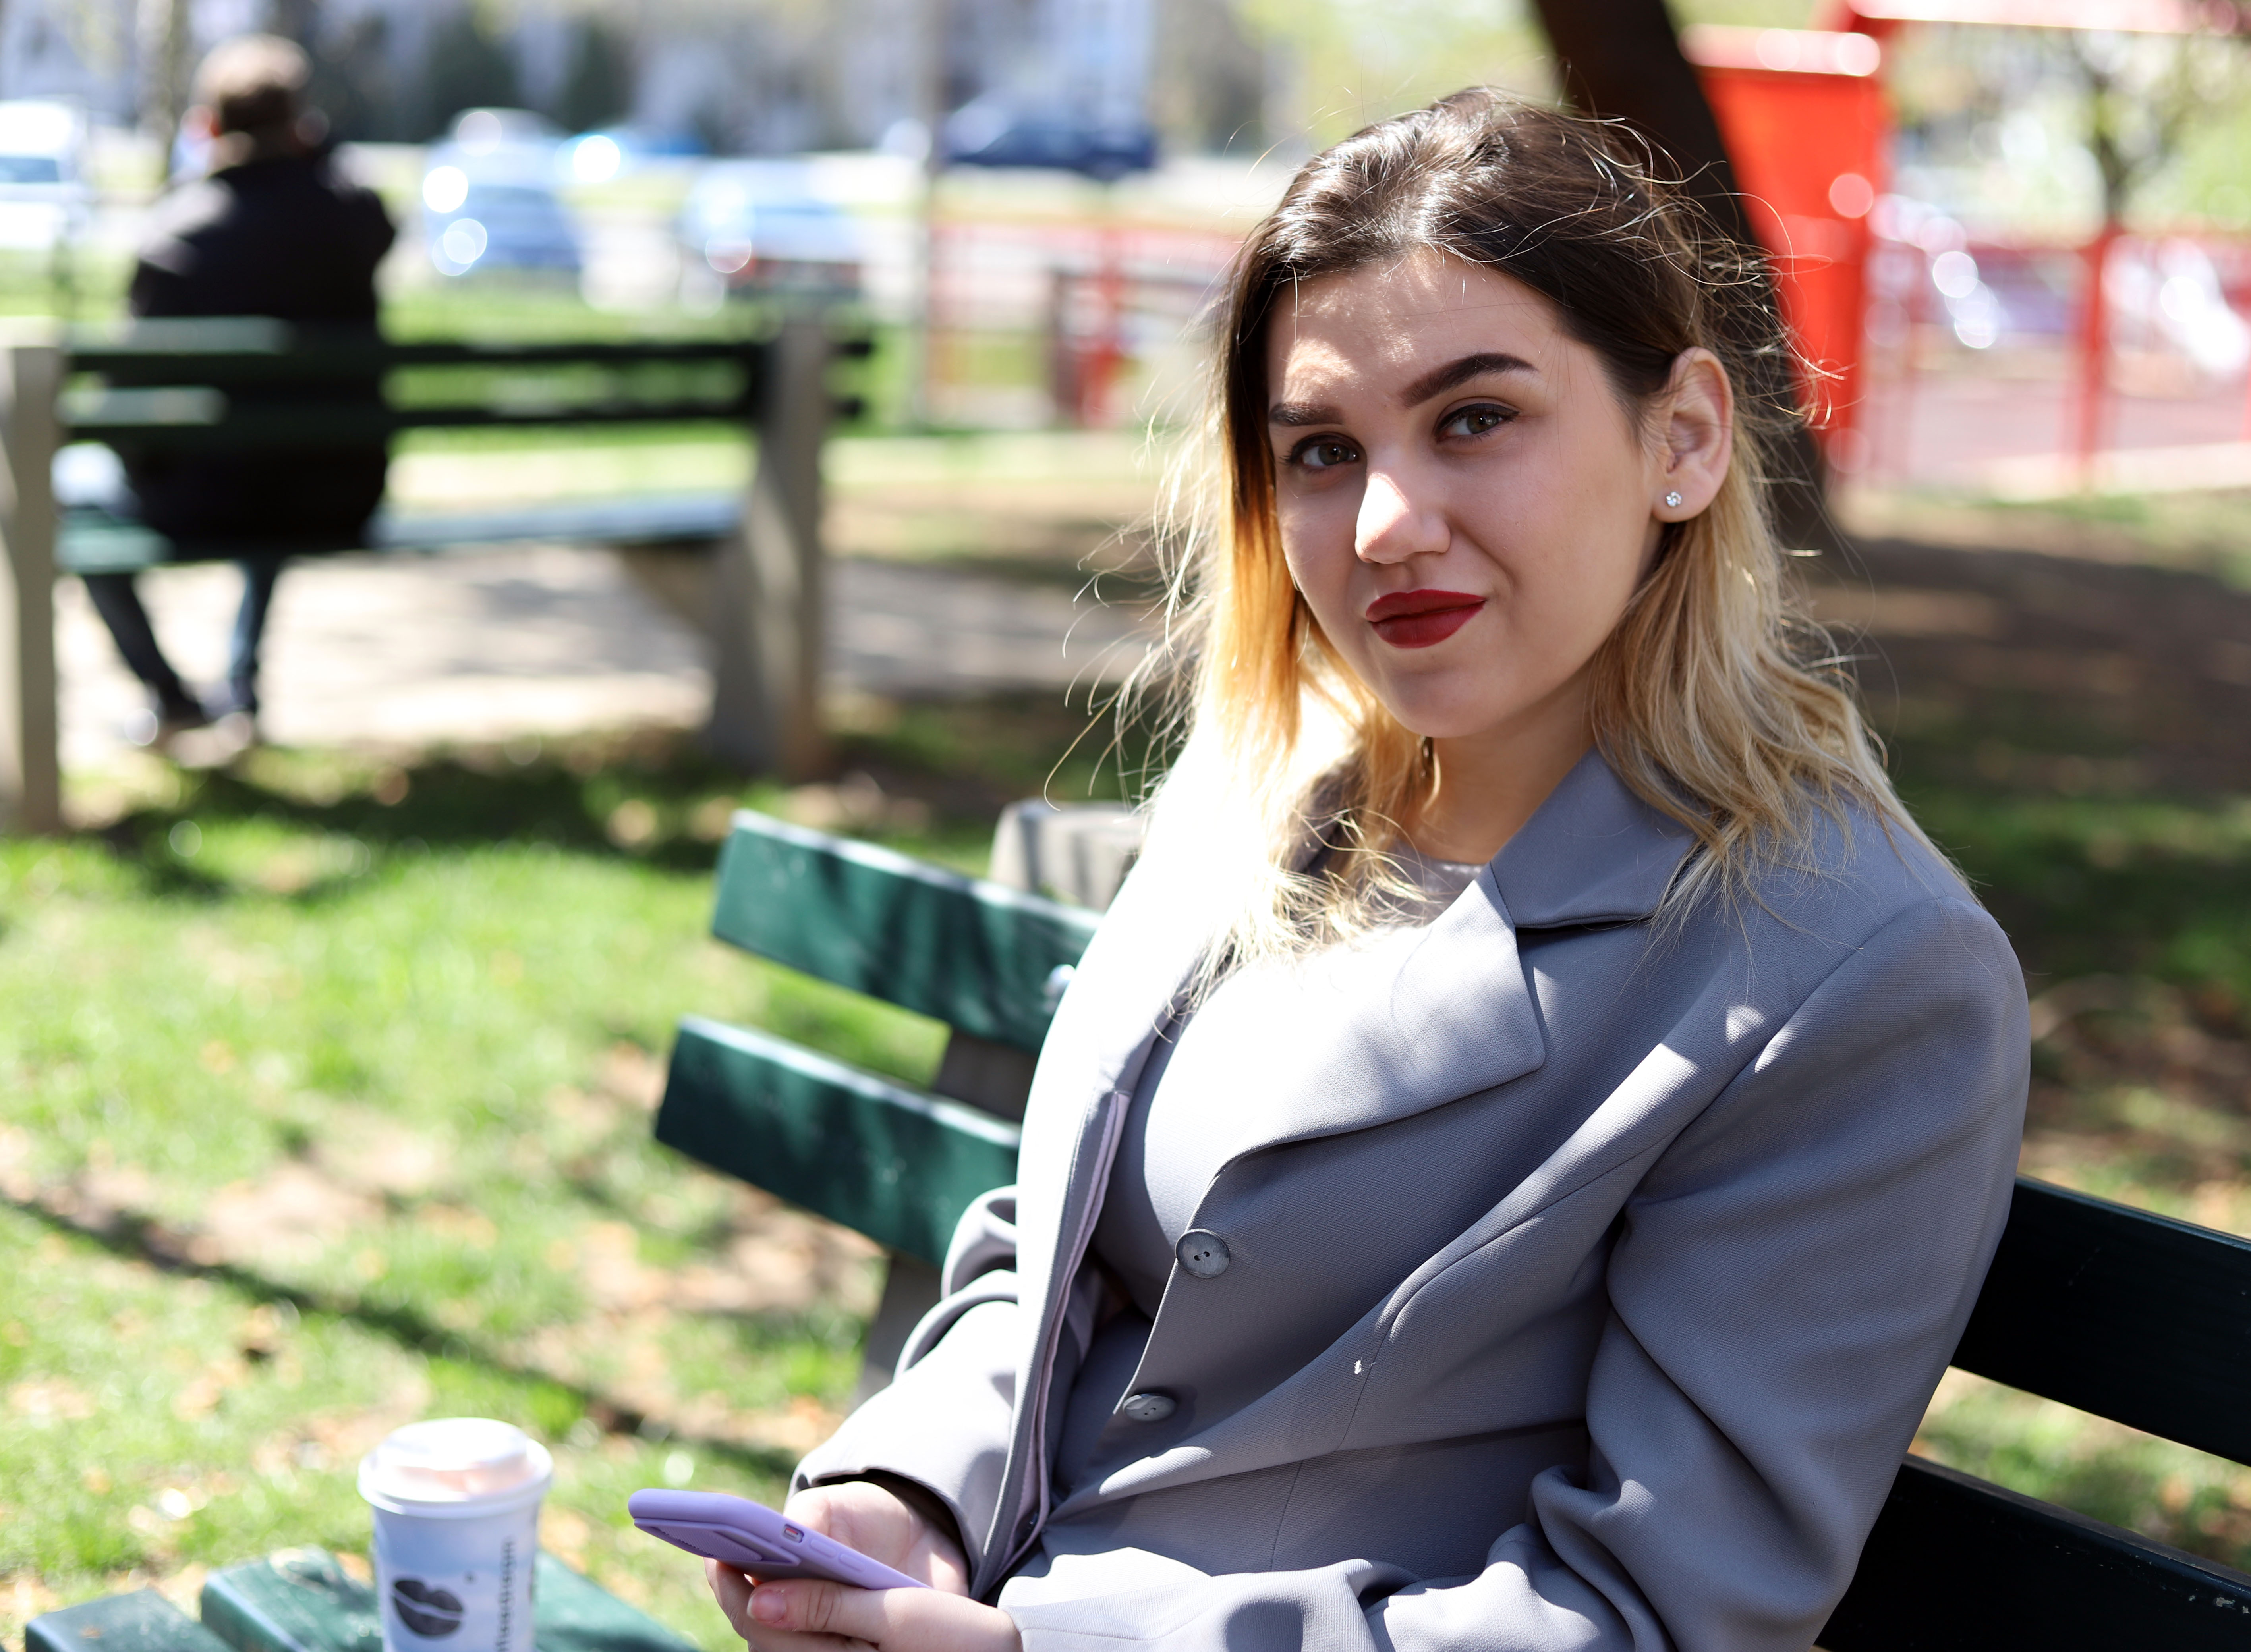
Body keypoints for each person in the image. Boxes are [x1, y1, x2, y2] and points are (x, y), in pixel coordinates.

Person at [705, 91, 2029, 1652]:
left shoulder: (1856, 968)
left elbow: (1656, 1616)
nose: (1388, 523)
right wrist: (907, 1496)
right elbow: (1054, 1251)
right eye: (1324, 451)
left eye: (1475, 417)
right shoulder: (1269, 796)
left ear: (1682, 437)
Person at [87, 33, 395, 746]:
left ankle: (169, 695)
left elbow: (122, 398)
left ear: (209, 127)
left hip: (208, 498)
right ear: (301, 127)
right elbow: (367, 198)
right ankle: (242, 688)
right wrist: (318, 148)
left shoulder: (177, 235)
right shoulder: (352, 221)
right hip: (338, 493)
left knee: (67, 498)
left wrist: (153, 469)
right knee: (281, 461)